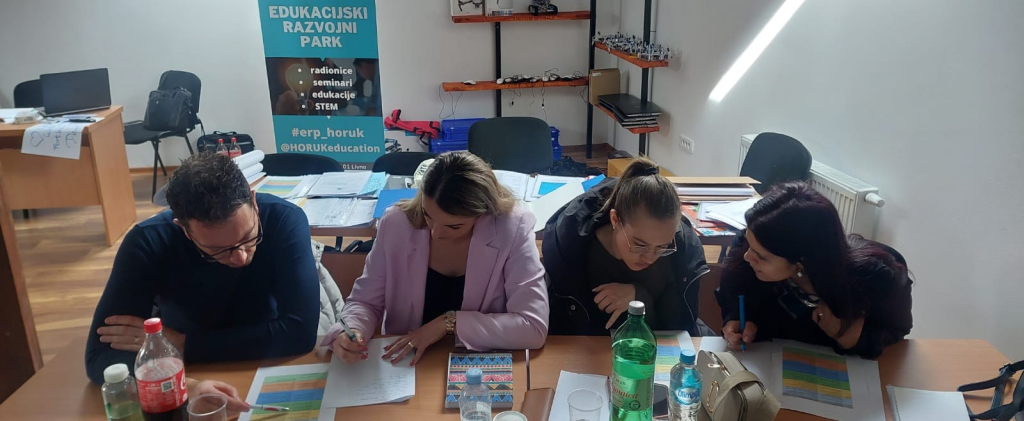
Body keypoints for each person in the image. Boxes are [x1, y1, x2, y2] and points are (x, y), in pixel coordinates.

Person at [84, 153, 319, 384]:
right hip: (189, 369)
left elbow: (299, 332)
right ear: (184, 230)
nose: (240, 257)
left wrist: (183, 344)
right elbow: (101, 358)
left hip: (266, 362)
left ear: (254, 203)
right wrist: (186, 385)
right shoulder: (148, 241)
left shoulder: (284, 219)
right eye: (217, 249)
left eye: (248, 237)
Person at [327, 151, 549, 365]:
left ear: (482, 213)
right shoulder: (396, 224)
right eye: (428, 216)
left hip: (478, 360)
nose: (435, 233)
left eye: (454, 226)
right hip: (406, 362)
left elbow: (532, 327)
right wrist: (353, 328)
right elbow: (365, 302)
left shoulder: (512, 228)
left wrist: (449, 322)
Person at [715, 182, 913, 358]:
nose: (747, 256)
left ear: (802, 261)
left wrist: (852, 338)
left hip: (837, 374)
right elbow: (733, 290)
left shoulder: (877, 278)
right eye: (749, 244)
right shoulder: (754, 243)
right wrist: (736, 319)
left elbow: (896, 331)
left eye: (763, 257)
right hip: (766, 365)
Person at [543, 158, 709, 335]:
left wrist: (640, 299)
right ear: (615, 220)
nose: (650, 258)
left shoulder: (680, 251)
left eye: (662, 246)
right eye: (640, 245)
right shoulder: (573, 248)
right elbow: (564, 328)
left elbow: (677, 328)